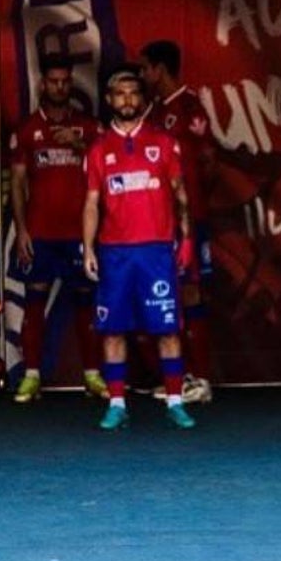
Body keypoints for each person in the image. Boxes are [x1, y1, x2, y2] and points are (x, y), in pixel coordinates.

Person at [83, 65, 196, 431]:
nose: (127, 100)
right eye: (120, 94)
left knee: (167, 330)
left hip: (156, 252)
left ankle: (176, 401)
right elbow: (91, 203)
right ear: (109, 100)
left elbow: (180, 193)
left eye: (133, 93)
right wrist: (87, 248)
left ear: (142, 99)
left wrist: (187, 237)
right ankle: (116, 403)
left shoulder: (163, 142)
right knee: (113, 331)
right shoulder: (99, 149)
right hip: (114, 254)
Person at [10, 54, 107, 402]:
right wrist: (21, 230)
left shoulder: (90, 128)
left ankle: (93, 376)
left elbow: (109, 167)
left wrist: (78, 144)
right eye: (54, 81)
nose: (60, 87)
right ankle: (32, 376)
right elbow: (18, 183)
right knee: (33, 302)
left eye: (65, 81)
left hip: (79, 233)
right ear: (42, 84)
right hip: (41, 232)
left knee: (86, 302)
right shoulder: (27, 129)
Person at [140, 40, 217, 403]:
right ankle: (180, 377)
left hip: (191, 218)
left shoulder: (190, 107)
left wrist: (195, 202)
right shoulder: (154, 111)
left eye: (146, 68)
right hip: (160, 222)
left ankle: (201, 380)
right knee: (168, 296)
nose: (142, 75)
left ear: (160, 69)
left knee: (191, 292)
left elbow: (208, 164)